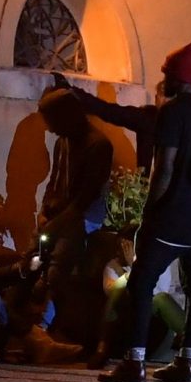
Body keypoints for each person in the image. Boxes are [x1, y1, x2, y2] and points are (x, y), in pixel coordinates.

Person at [98, 39, 191, 382]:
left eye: (167, 74)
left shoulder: (172, 112)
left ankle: (134, 363)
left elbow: (165, 167)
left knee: (141, 284)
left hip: (171, 215)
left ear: (177, 78)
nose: (164, 80)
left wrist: (150, 211)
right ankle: (187, 362)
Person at [37, 88, 113, 311]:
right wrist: (43, 211)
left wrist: (54, 226)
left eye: (52, 121)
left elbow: (85, 199)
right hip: (61, 215)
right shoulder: (63, 142)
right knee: (32, 257)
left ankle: (49, 320)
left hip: (85, 218)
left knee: (58, 264)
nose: (50, 129)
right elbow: (54, 181)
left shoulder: (98, 144)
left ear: (67, 116)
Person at [89, 225, 187, 369]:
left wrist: (136, 266)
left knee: (161, 299)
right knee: (119, 287)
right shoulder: (112, 266)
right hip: (123, 316)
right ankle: (102, 347)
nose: (123, 250)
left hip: (152, 316)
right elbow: (111, 293)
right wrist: (133, 270)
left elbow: (158, 294)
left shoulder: (157, 265)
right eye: (121, 245)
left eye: (128, 246)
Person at [52, 72, 165, 176]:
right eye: (158, 94)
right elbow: (108, 111)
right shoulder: (149, 118)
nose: (157, 98)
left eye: (160, 95)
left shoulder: (149, 119)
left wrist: (72, 91)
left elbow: (108, 111)